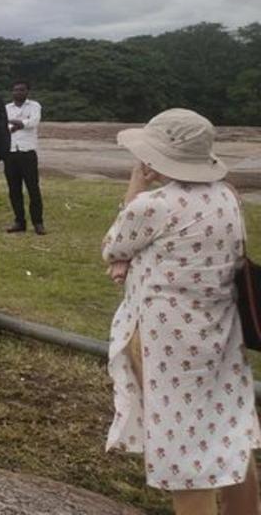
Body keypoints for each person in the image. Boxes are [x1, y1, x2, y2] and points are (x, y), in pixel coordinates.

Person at [102, 108, 260, 514]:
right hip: (220, 333)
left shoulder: (153, 205)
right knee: (227, 427)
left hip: (165, 341)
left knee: (183, 444)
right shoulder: (227, 197)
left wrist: (137, 184)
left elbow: (113, 245)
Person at [4, 80, 46, 235]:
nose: (18, 92)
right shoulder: (6, 108)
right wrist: (21, 123)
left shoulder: (34, 106)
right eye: (15, 90)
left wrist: (16, 124)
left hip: (27, 152)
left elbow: (34, 122)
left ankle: (38, 222)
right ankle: (19, 221)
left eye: (21, 90)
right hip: (10, 153)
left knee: (33, 189)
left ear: (27, 91)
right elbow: (2, 125)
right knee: (14, 189)